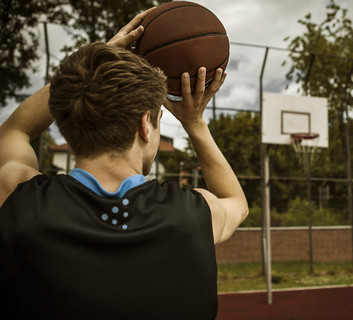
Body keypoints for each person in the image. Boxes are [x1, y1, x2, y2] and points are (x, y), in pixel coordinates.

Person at [0, 8, 248, 319]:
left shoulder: (17, 197)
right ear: (146, 125)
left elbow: (16, 130)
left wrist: (88, 66)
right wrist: (195, 122)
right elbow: (235, 202)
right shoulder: (194, 216)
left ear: (68, 122)